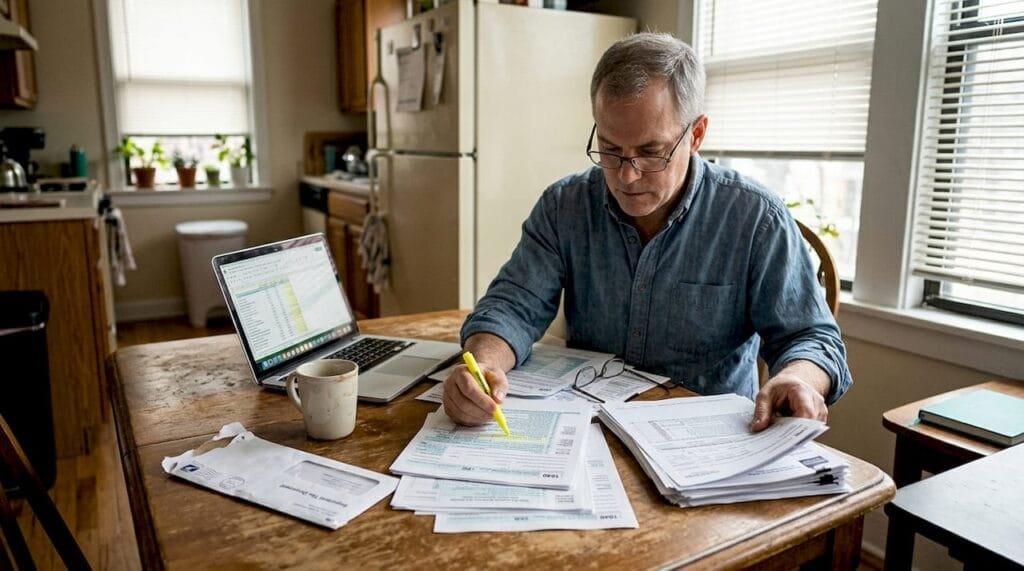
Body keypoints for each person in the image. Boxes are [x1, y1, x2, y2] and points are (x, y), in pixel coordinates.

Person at [442, 32, 851, 432]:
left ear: (696, 135)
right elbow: (513, 306)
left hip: (706, 440)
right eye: (610, 149)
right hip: (589, 429)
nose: (627, 176)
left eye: (651, 152)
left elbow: (812, 337)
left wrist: (799, 378)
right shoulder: (564, 205)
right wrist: (484, 366)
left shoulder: (755, 218)